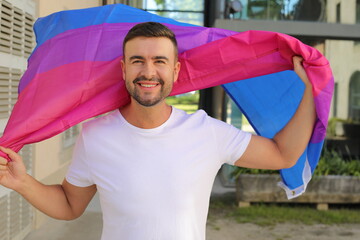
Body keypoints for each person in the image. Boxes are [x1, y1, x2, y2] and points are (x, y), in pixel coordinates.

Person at [0, 22, 316, 240]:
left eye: (159, 61)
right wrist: (22, 182)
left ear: (175, 70)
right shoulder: (95, 136)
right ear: (123, 69)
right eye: (137, 61)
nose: (148, 71)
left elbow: (283, 154)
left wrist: (313, 92)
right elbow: (70, 205)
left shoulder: (206, 132)